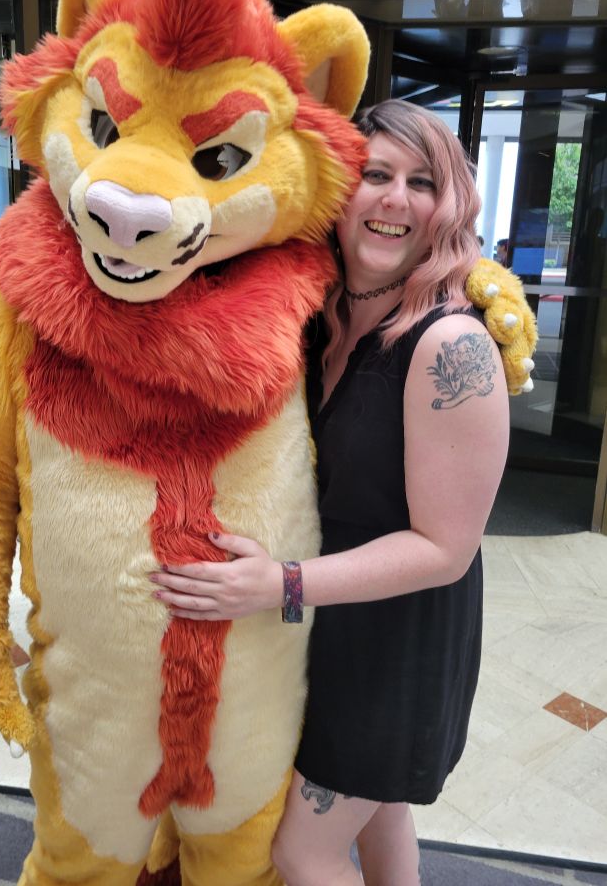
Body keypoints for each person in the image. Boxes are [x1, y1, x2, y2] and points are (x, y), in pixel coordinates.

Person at [150, 100, 510, 886]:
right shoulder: (325, 316)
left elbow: (445, 550)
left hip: (399, 642)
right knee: (380, 811)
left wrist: (276, 585)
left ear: (446, 206)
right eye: (375, 174)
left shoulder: (451, 344)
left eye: (422, 182)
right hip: (333, 626)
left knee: (304, 852)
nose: (394, 199)